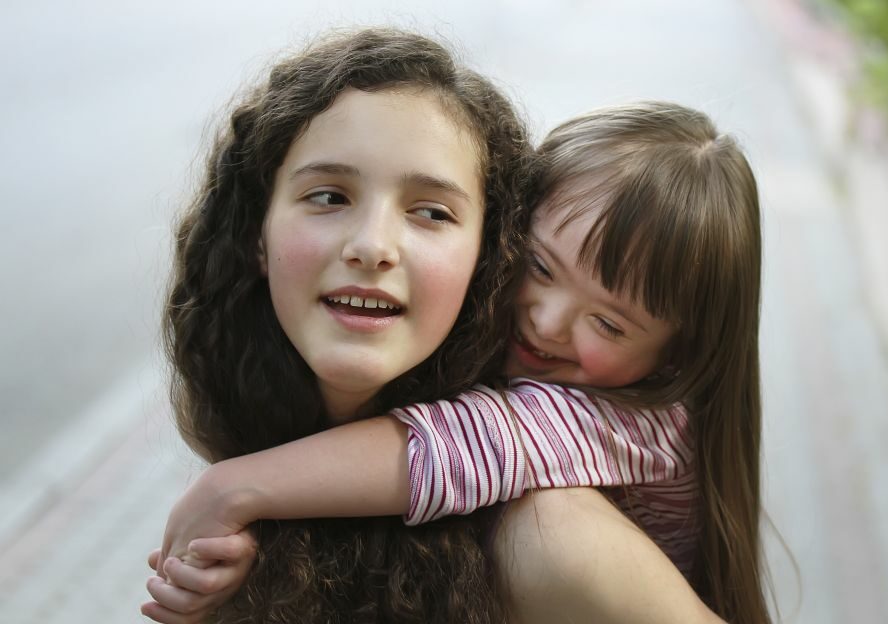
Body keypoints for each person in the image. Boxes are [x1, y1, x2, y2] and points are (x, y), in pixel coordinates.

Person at [147, 99, 770, 622]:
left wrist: (237, 488)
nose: (546, 322)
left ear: (677, 356)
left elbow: (468, 443)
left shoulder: (647, 425)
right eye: (538, 267)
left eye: (608, 322)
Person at [146, 27, 535, 624]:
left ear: (486, 259)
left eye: (430, 212)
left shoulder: (542, 532)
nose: (372, 246)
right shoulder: (240, 501)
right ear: (257, 236)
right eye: (329, 197)